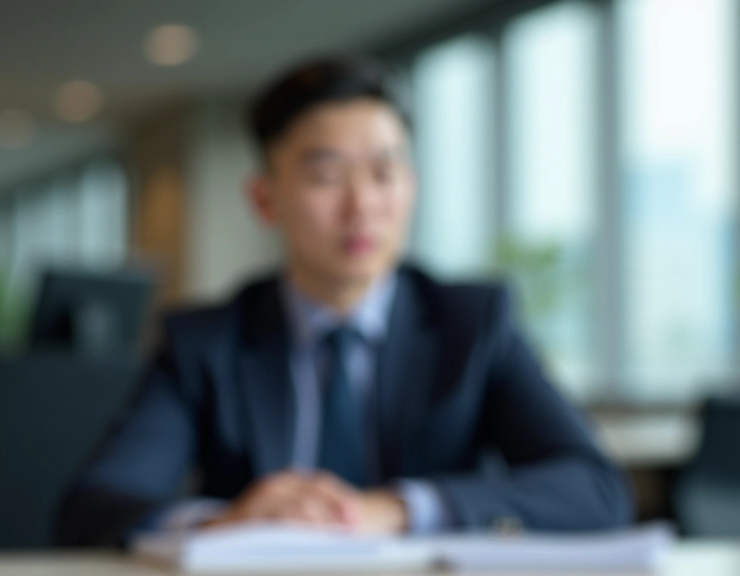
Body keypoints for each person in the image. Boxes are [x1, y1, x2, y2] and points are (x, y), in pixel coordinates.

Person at [58, 55, 632, 546]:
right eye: (326, 176)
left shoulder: (473, 324)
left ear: (412, 187)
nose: (362, 206)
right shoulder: (204, 341)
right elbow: (94, 506)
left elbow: (596, 490)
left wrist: (399, 509)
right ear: (265, 198)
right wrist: (228, 522)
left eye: (385, 172)